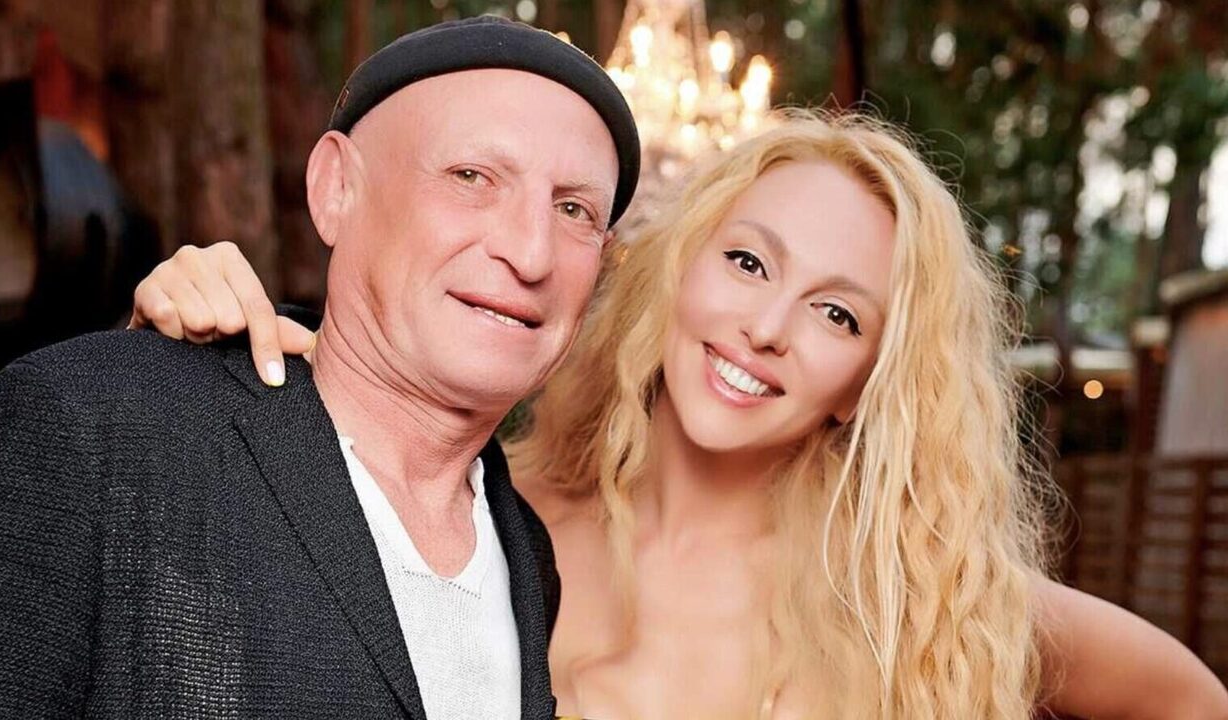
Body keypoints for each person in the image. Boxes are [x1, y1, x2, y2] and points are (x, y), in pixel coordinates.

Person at [135, 111, 1228, 719]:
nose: (766, 328)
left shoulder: (914, 593)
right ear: (675, 271)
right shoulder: (481, 521)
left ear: (868, 381)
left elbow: (1186, 699)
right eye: (748, 262)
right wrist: (184, 344)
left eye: (837, 315)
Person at [0, 17, 640, 720]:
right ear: (336, 187)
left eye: (573, 209)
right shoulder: (91, 427)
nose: (531, 253)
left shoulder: (527, 556)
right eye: (471, 177)